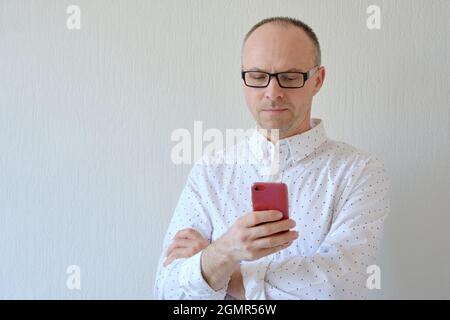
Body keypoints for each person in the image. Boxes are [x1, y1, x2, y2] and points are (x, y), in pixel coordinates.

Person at [154, 16, 390, 300]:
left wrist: (225, 272)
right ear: (243, 79)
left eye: (290, 77)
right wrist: (227, 249)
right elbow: (166, 292)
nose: (272, 92)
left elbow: (339, 289)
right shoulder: (211, 170)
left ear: (318, 80)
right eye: (257, 77)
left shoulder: (360, 172)